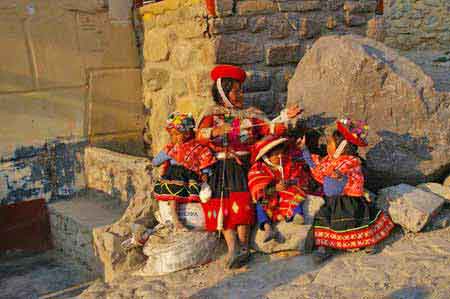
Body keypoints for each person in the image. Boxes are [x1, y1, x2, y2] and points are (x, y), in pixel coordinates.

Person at [197, 64, 302, 269]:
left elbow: (269, 128)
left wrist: (285, 118)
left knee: (243, 204)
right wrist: (217, 131)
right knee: (224, 206)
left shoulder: (251, 114)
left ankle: (244, 246)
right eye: (236, 91)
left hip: (244, 167)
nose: (241, 94)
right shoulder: (211, 114)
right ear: (223, 93)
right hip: (221, 167)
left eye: (241, 90)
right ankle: (232, 248)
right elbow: (199, 136)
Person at [299, 118, 395, 263]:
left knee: (357, 222)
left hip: (348, 202)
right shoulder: (328, 161)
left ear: (341, 147)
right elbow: (316, 165)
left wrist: (339, 175)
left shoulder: (350, 161)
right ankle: (325, 246)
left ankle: (368, 241)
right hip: (331, 202)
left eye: (330, 143)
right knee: (323, 220)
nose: (327, 145)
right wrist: (304, 149)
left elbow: (343, 173)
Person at [153, 112, 216, 232]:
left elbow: (204, 158)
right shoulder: (171, 148)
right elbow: (156, 161)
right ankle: (176, 220)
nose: (175, 138)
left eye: (177, 134)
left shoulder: (197, 147)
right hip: (175, 175)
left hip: (191, 176)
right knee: (174, 195)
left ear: (187, 133)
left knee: (197, 197)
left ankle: (197, 221)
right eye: (173, 135)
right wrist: (162, 160)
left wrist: (206, 173)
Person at [248, 136, 311, 243]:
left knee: (296, 192)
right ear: (266, 156)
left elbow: (299, 178)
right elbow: (257, 187)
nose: (280, 156)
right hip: (270, 198)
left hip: (286, 193)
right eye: (276, 154)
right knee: (260, 203)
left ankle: (297, 214)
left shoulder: (287, 162)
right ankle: (268, 228)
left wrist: (289, 182)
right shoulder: (258, 168)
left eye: (281, 153)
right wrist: (274, 188)